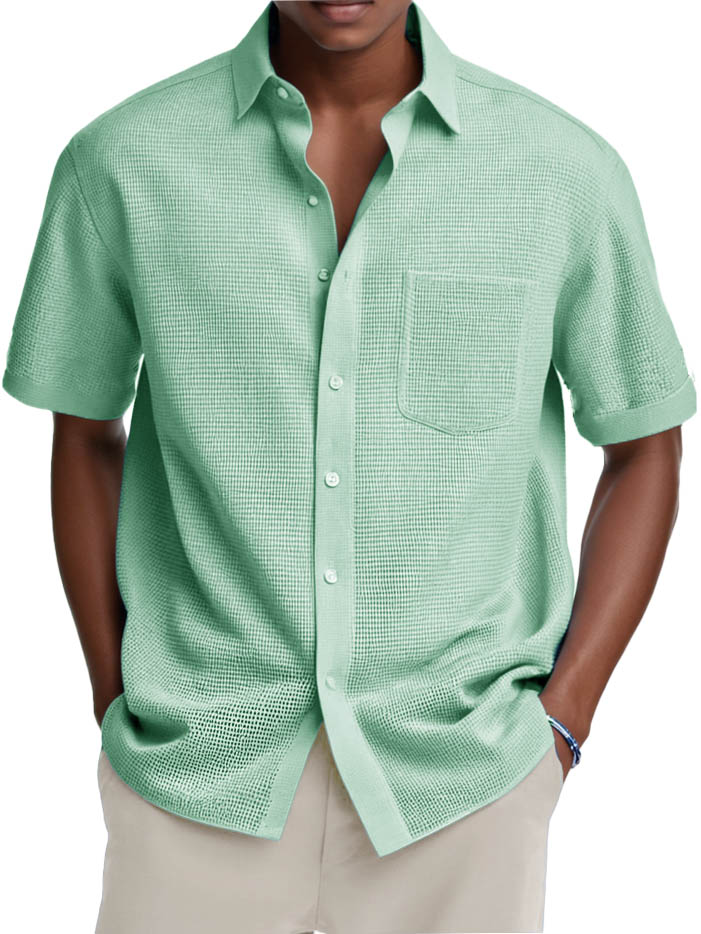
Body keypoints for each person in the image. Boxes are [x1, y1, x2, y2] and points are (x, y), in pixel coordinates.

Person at [3, 1, 696, 932]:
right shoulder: (122, 161)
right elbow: (83, 430)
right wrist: (112, 694)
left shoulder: (561, 170)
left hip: (463, 781)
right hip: (193, 769)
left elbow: (644, 443)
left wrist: (563, 718)